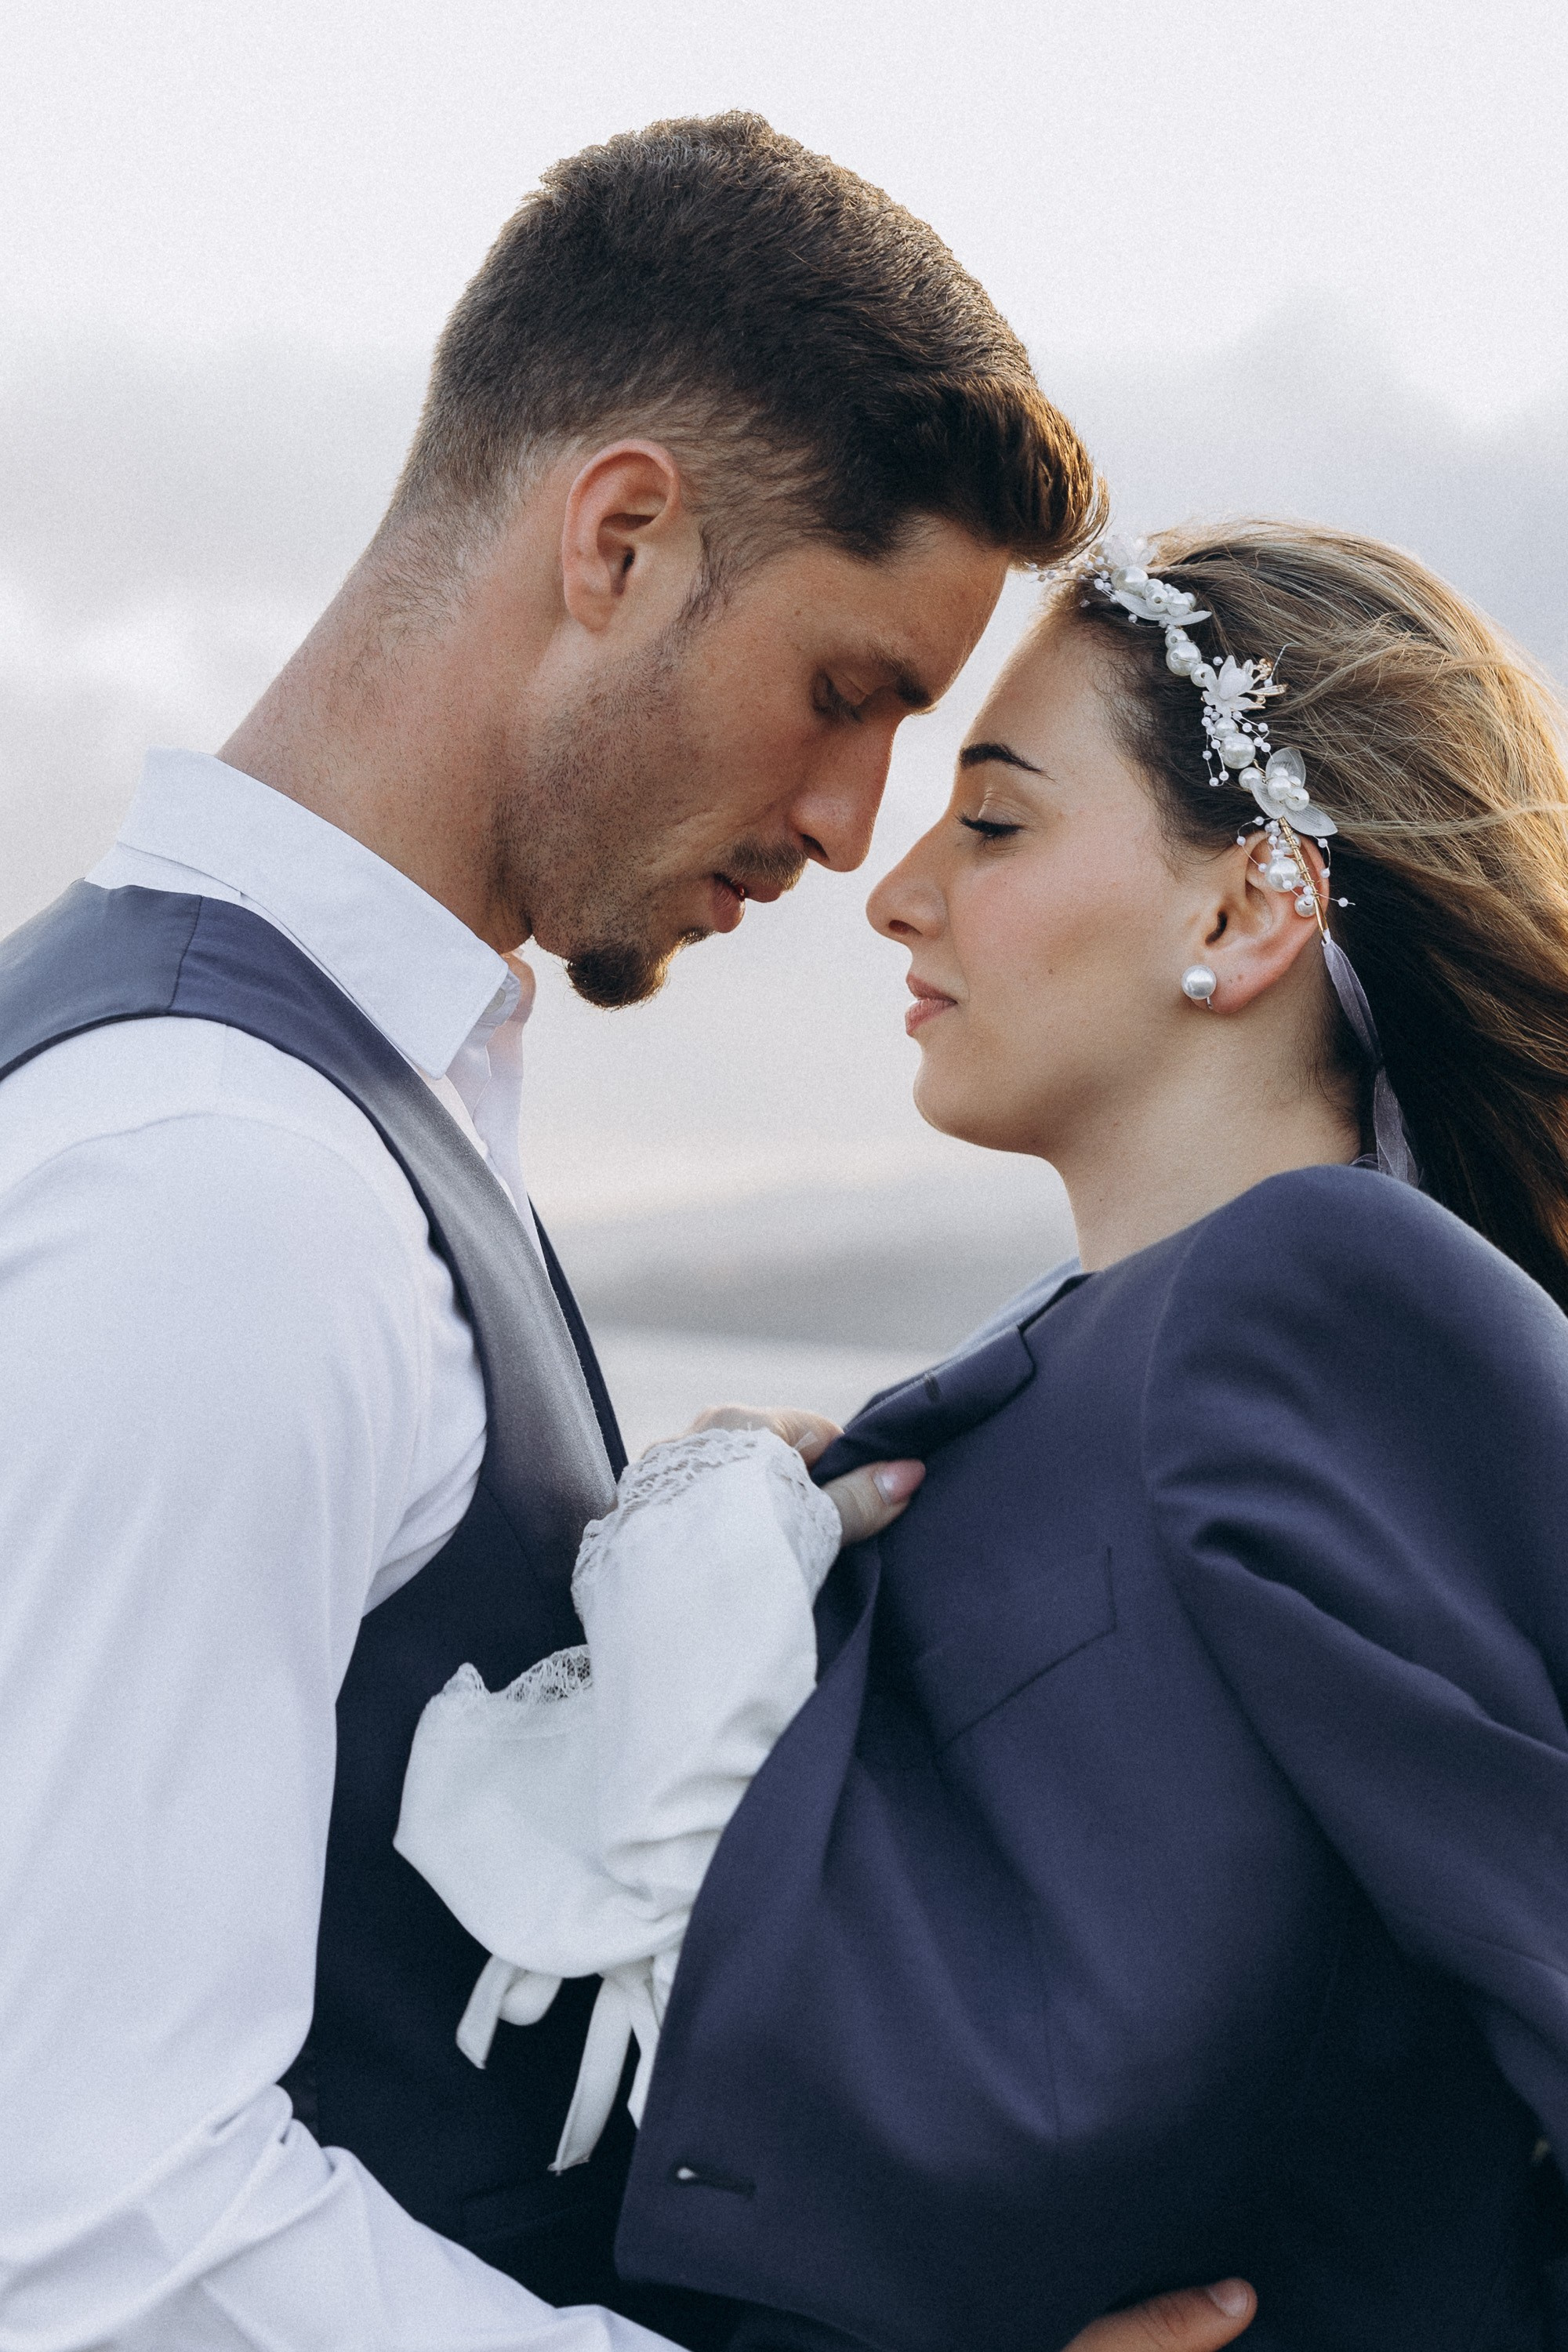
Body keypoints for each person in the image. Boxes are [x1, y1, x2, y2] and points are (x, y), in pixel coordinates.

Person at [0, 108, 1252, 2352]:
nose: (852, 824)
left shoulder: (314, 1118)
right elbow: (84, 2221)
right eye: (849, 691)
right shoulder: (218, 1187)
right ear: (622, 539)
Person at [404, 521, 1568, 2350]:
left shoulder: (1313, 1299)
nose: (894, 887)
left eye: (998, 822)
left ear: (1248, 905)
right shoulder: (1047, 1379)